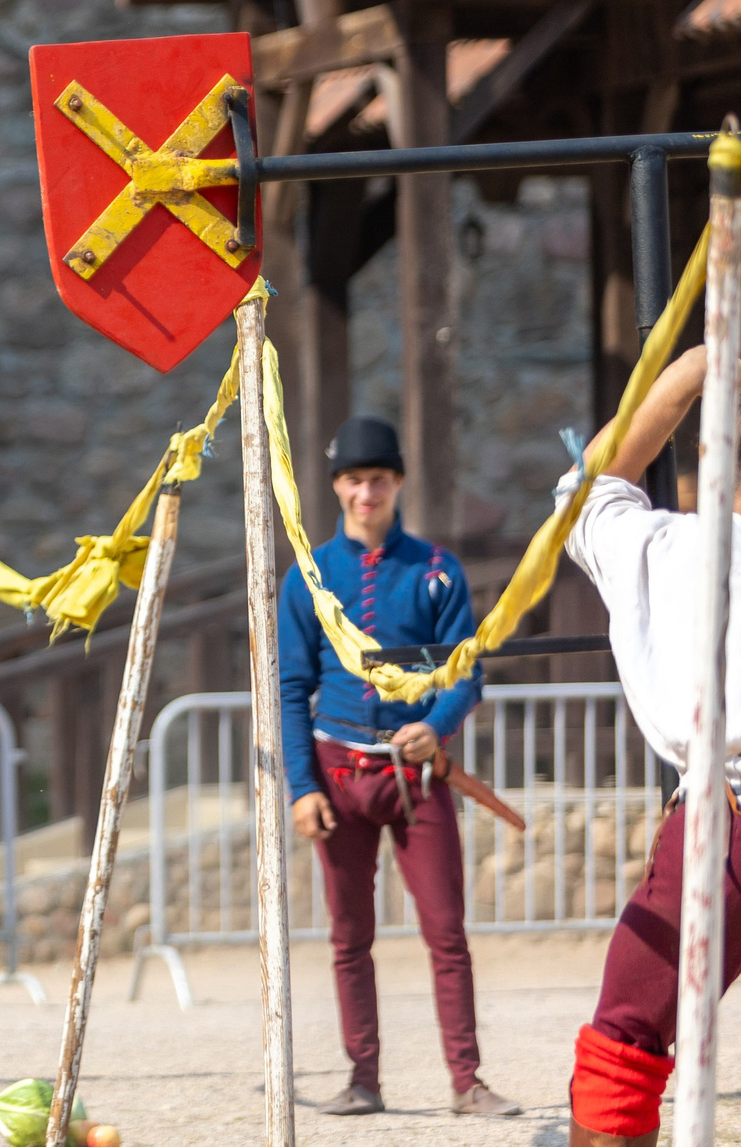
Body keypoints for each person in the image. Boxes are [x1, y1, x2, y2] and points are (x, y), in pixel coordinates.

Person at [279, 415, 518, 1119]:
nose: (365, 493)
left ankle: (467, 1081)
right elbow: (293, 686)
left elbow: (464, 673)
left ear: (398, 483)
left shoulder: (438, 570)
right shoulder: (309, 576)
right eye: (353, 481)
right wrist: (300, 786)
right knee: (349, 935)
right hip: (338, 772)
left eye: (377, 480)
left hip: (417, 775)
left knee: (446, 930)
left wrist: (435, 724)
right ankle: (363, 1078)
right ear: (337, 487)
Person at [557, 343, 741, 1147]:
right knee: (622, 1045)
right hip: (715, 821)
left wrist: (699, 360)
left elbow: (591, 478)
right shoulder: (662, 547)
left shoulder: (654, 545)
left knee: (622, 1047)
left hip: (716, 822)